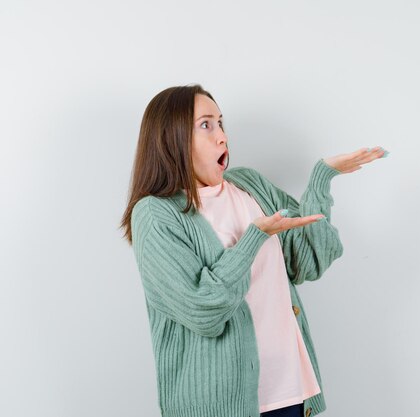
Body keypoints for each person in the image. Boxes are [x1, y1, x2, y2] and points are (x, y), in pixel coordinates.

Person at [119, 84, 389, 417]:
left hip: (290, 393)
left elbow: (310, 260)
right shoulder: (155, 213)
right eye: (206, 125)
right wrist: (254, 237)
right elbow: (204, 311)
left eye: (221, 123)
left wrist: (321, 179)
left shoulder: (250, 185)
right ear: (170, 138)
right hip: (217, 407)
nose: (222, 137)